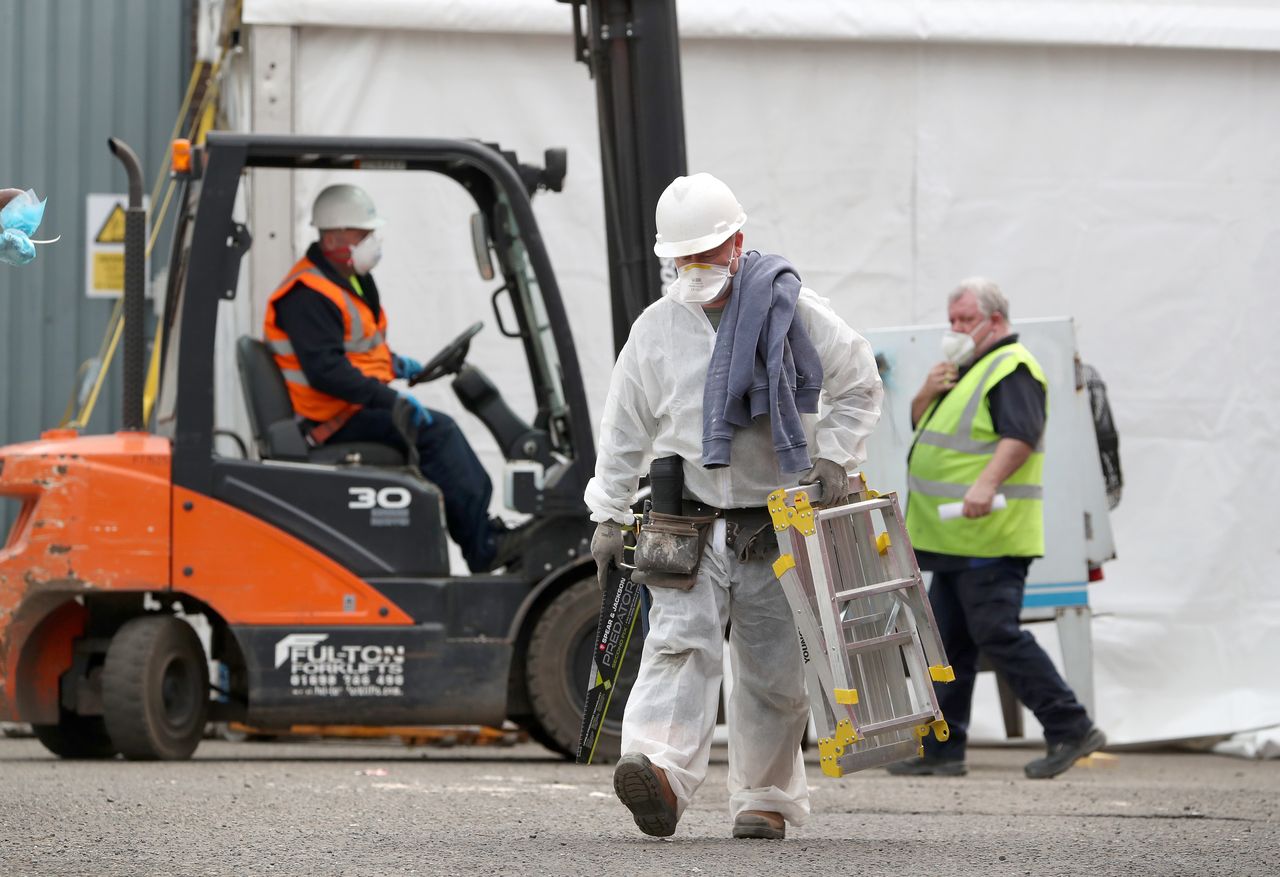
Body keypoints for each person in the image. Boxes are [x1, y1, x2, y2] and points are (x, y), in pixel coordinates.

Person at [586, 173, 883, 839]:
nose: (695, 269)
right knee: (676, 647)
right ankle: (658, 771)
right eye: (683, 258)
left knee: (773, 672)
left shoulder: (796, 312)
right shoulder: (658, 329)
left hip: (776, 523)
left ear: (737, 242)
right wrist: (607, 510)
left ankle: (767, 798)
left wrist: (835, 455)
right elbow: (625, 426)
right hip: (685, 518)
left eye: (706, 253)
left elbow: (859, 380)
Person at [889, 277, 1105, 780]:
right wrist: (924, 392)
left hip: (992, 535)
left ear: (996, 321)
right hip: (954, 539)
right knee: (949, 643)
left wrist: (985, 485)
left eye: (966, 320)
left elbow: (1021, 435)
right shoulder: (966, 370)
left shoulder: (1011, 367)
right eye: (953, 321)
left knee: (996, 633)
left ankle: (1070, 726)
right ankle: (942, 748)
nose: (957, 329)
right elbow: (925, 428)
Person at [262, 183, 521, 572]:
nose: (371, 241)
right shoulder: (307, 294)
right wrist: (391, 400)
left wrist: (398, 366)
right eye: (362, 234)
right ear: (332, 236)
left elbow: (360, 352)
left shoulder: (348, 279)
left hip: (348, 408)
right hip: (330, 419)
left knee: (438, 430)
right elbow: (326, 371)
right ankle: (482, 545)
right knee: (440, 434)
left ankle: (481, 533)